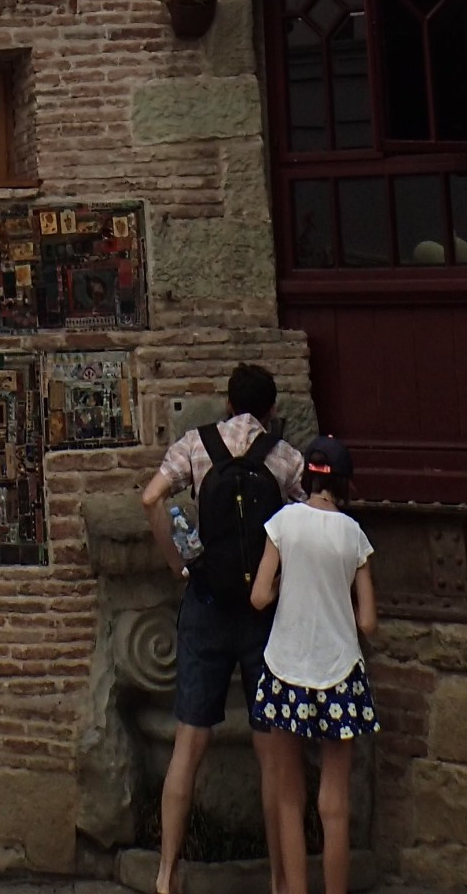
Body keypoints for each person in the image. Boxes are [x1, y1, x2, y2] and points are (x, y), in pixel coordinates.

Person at [140, 363, 305, 894]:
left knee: (189, 741)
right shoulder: (284, 458)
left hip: (207, 601)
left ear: (228, 403)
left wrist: (178, 563)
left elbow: (151, 498)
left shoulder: (195, 443)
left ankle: (167, 875)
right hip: (263, 609)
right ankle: (281, 880)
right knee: (271, 751)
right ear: (272, 410)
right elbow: (305, 527)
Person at [248, 436, 379, 894]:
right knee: (335, 802)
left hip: (286, 666)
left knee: (288, 795)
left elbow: (260, 596)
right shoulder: (354, 535)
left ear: (307, 478)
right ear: (342, 483)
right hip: (340, 670)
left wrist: (289, 579)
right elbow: (368, 621)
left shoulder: (283, 523)